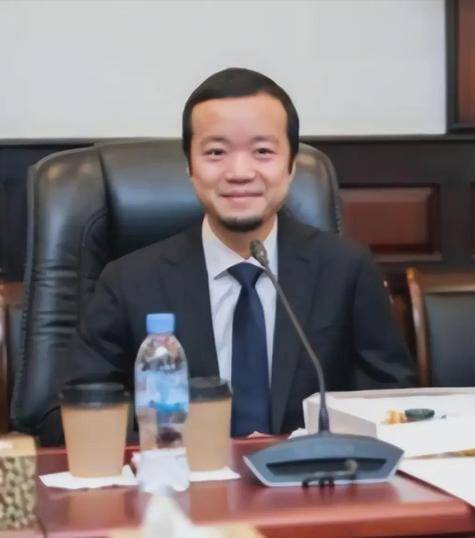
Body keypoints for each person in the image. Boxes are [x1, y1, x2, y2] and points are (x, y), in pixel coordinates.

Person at [71, 67, 415, 439]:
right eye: (216, 152)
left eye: (262, 151)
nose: (239, 172)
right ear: (189, 166)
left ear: (291, 166)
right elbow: (75, 412)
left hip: (310, 473)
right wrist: (169, 449)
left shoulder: (346, 270)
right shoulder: (129, 282)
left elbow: (390, 404)